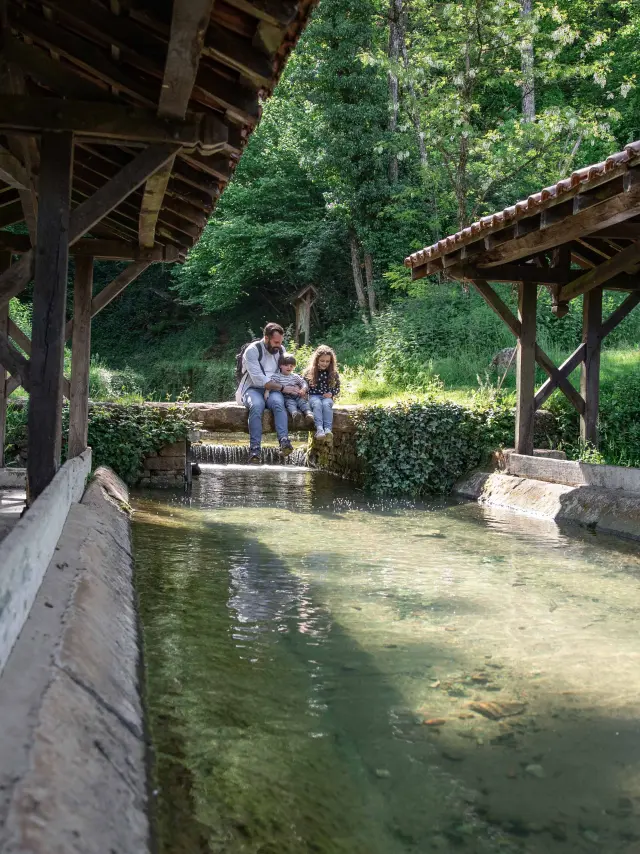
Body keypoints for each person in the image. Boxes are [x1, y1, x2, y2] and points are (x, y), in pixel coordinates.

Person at [235, 322, 299, 463]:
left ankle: (284, 442)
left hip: (274, 388)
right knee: (256, 406)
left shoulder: (280, 350)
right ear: (266, 338)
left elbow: (284, 373)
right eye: (276, 342)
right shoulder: (252, 351)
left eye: (280, 342)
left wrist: (296, 386)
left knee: (278, 403)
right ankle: (255, 449)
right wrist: (283, 388)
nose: (279, 345)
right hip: (252, 388)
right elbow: (259, 379)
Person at [265, 355, 315, 430]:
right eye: (286, 365)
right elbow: (271, 385)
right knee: (290, 404)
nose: (289, 367)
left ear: (294, 367)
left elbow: (303, 382)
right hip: (286, 396)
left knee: (303, 402)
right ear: (280, 366)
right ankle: (295, 414)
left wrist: (303, 389)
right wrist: (267, 392)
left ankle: (309, 414)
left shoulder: (295, 376)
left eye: (291, 366)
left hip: (297, 395)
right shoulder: (277, 376)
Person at [304, 345, 341, 442]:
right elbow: (303, 385)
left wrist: (331, 393)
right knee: (317, 404)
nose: (325, 363)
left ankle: (328, 429)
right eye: (322, 361)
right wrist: (304, 392)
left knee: (326, 404)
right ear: (317, 360)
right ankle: (319, 429)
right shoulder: (310, 372)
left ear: (331, 362)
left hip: (326, 397)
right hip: (314, 396)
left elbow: (337, 388)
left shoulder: (333, 373)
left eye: (327, 361)